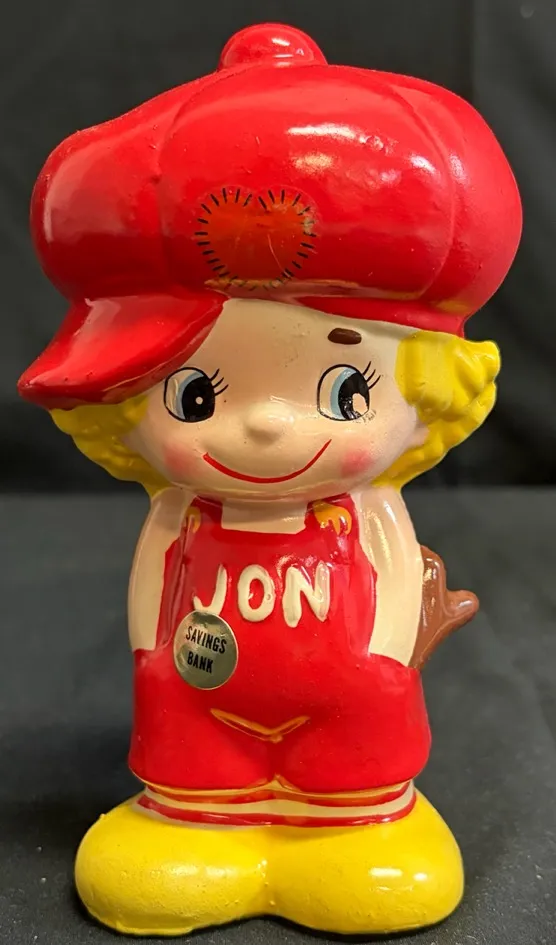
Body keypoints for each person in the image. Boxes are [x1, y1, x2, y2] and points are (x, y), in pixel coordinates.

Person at [18, 22, 521, 937]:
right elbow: (154, 587)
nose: (264, 425)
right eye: (196, 393)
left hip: (347, 696)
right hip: (200, 695)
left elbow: (392, 574)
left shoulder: (365, 508)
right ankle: (199, 820)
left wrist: (382, 660)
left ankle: (351, 823)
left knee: (359, 796)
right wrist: (153, 658)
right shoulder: (182, 509)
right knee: (187, 785)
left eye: (345, 389)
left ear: (426, 394)